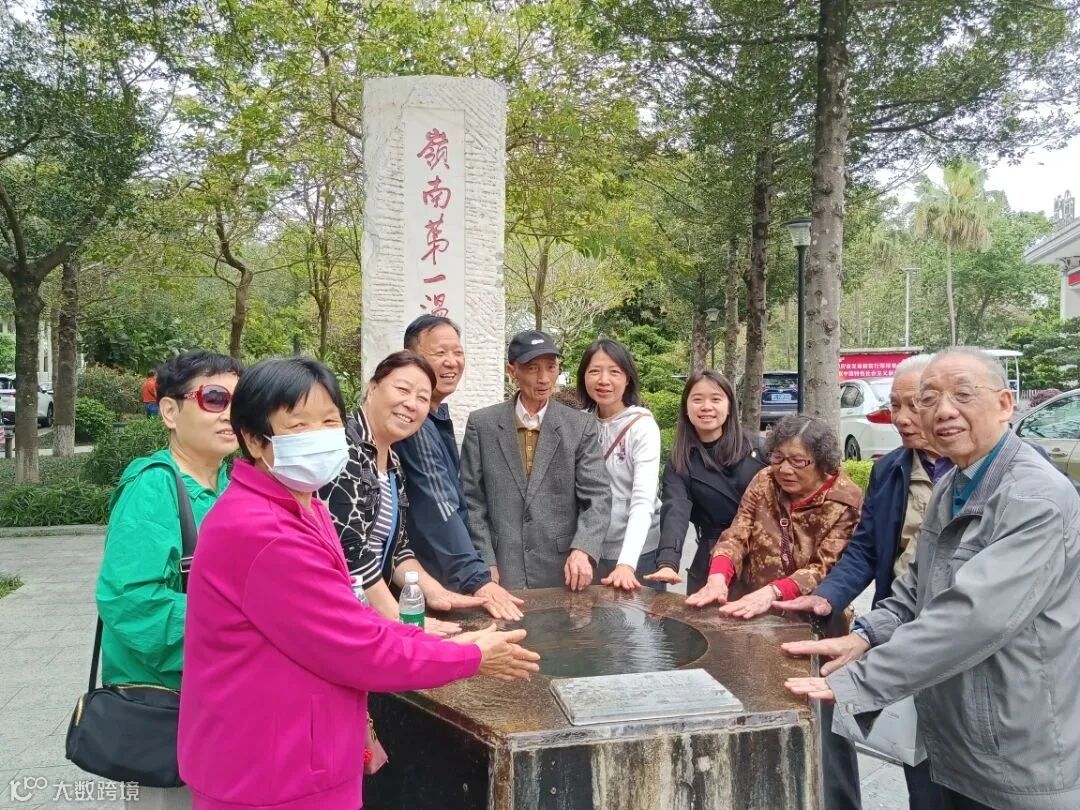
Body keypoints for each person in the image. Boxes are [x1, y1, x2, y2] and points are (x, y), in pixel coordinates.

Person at [178, 356, 540, 810]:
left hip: (299, 754)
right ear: (253, 439)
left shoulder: (306, 506)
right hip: (269, 774)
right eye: (298, 426)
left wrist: (430, 636)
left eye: (329, 421)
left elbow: (347, 613)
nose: (320, 436)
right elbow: (355, 647)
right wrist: (468, 656)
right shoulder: (265, 532)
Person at [785, 348, 1080, 810]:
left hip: (1016, 740)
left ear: (1005, 404)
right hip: (954, 727)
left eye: (962, 395)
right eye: (929, 399)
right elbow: (916, 584)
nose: (942, 411)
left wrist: (860, 681)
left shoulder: (1034, 498)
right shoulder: (953, 483)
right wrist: (864, 636)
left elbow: (972, 618)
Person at [775, 355, 948, 809]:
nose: (903, 418)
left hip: (963, 637)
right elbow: (867, 550)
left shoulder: (987, 475)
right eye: (894, 405)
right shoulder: (890, 470)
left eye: (915, 404)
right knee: (920, 764)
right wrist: (825, 598)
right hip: (902, 628)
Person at [687, 413, 864, 810]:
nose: (784, 469)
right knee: (757, 715)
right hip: (754, 621)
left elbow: (824, 568)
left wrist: (772, 593)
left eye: (798, 461)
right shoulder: (764, 481)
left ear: (822, 462)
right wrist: (718, 577)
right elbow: (738, 533)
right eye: (778, 458)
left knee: (826, 733)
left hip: (817, 628)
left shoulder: (845, 499)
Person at [96, 350, 243, 810]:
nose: (230, 415)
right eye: (215, 398)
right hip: (168, 707)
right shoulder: (153, 487)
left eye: (241, 402)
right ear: (170, 412)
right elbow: (130, 601)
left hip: (224, 699)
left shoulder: (233, 486)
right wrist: (238, 634)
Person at [319, 350, 495, 636]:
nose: (411, 404)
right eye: (402, 389)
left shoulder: (392, 460)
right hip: (333, 615)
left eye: (423, 398)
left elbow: (398, 547)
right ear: (372, 388)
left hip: (366, 612)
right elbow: (350, 550)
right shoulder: (344, 448)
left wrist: (434, 592)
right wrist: (401, 620)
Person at [394, 315, 525, 620]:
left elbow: (459, 503)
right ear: (411, 359)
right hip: (425, 586)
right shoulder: (418, 425)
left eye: (458, 352)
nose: (451, 362)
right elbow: (438, 506)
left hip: (439, 577)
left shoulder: (436, 417)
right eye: (440, 353)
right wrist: (476, 578)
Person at [461, 329, 611, 590]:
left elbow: (597, 497)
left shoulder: (579, 426)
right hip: (502, 568)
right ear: (512, 371)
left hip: (563, 571)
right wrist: (484, 559)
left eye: (551, 367)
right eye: (532, 368)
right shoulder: (482, 424)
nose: (544, 378)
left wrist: (583, 549)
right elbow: (471, 499)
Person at [642, 371, 766, 594]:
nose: (706, 407)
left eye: (716, 399)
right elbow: (675, 510)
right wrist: (668, 562)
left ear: (729, 406)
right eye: (697, 399)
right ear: (686, 408)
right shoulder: (680, 462)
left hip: (762, 555)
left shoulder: (759, 450)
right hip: (710, 556)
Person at [575, 338, 663, 591]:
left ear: (627, 379)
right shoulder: (578, 423)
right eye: (595, 371)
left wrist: (626, 563)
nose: (604, 380)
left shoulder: (642, 426)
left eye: (614, 372)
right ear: (583, 377)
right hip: (589, 552)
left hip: (638, 555)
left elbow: (643, 499)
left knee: (637, 618)